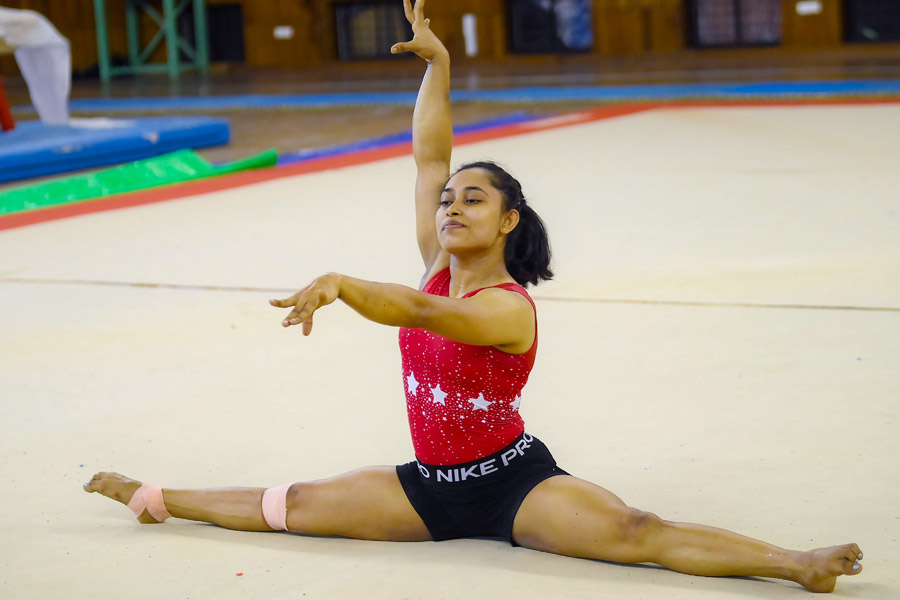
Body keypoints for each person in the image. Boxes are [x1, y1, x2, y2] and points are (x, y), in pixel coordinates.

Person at [84, 0, 863, 593]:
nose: (452, 207)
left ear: (509, 220)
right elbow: (428, 158)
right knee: (288, 503)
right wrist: (439, 69)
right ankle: (155, 496)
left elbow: (424, 314)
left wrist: (346, 285)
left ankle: (797, 564)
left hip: (511, 484)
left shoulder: (505, 306)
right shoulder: (434, 259)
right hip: (428, 487)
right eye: (451, 200)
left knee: (636, 529)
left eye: (474, 201)